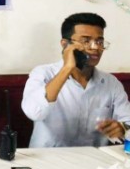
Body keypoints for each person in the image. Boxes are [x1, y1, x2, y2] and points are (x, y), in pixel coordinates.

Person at [22, 12, 130, 147]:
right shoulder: (43, 73)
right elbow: (34, 113)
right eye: (86, 41)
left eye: (99, 41)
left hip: (94, 158)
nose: (95, 47)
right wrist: (67, 68)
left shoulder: (111, 83)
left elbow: (128, 121)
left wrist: (123, 128)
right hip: (48, 157)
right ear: (65, 44)